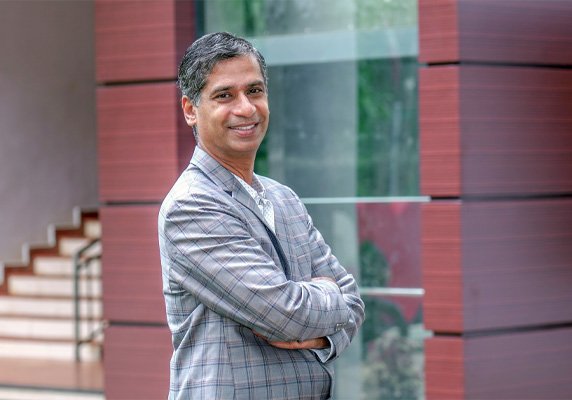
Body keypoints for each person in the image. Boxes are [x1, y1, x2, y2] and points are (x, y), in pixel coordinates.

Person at [158, 32, 365, 400]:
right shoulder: (192, 206)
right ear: (190, 110)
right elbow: (287, 314)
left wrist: (320, 335)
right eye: (225, 95)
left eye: (254, 91)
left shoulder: (284, 199)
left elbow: (354, 303)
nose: (246, 108)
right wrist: (327, 297)